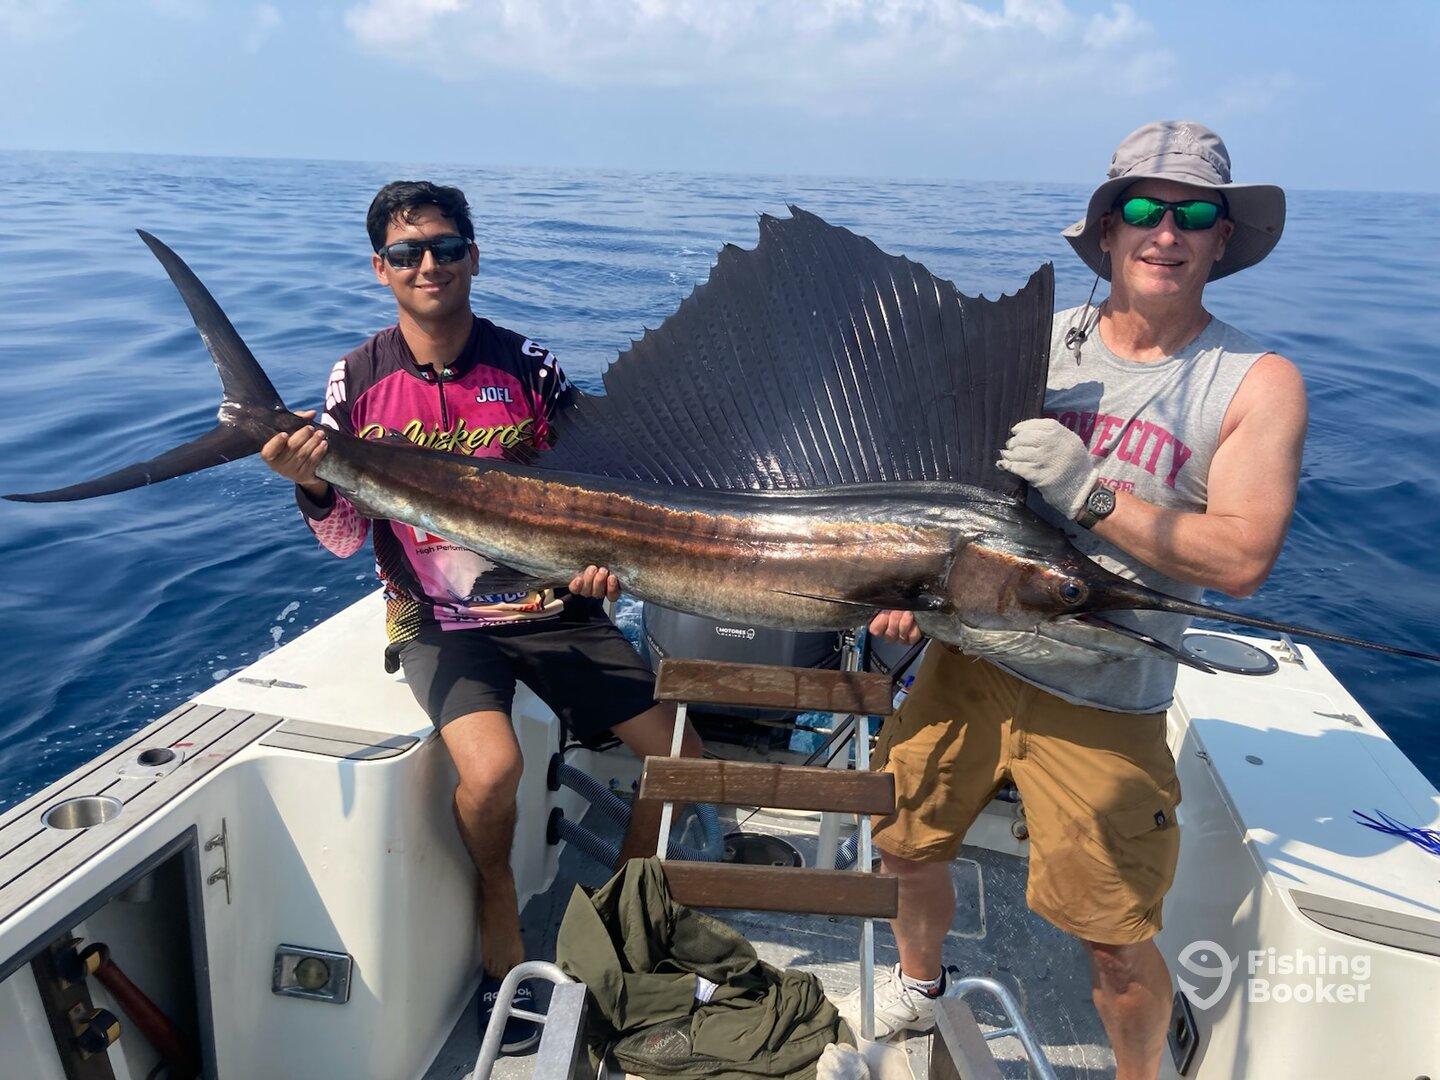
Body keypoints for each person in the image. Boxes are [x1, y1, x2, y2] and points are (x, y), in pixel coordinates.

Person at [850, 121, 1305, 1080]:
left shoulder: (1253, 383)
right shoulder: (1035, 345)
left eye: (1195, 216)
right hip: (964, 655)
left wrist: (1093, 492)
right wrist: (900, 588)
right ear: (1107, 231)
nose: (1166, 233)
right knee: (904, 839)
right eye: (1143, 210)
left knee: (1114, 933)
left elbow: (1243, 559)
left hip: (1108, 690)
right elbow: (923, 487)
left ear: (1224, 239)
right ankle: (921, 984)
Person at [259, 181, 701, 1037]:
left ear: (473, 256)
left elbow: (595, 490)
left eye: (446, 248)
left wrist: (600, 569)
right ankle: (499, 906)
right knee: (491, 771)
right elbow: (350, 537)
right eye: (406, 252)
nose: (428, 264)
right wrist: (312, 483)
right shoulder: (358, 377)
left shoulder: (528, 365)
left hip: (553, 603)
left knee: (685, 757)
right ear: (380, 270)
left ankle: (626, 910)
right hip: (436, 616)